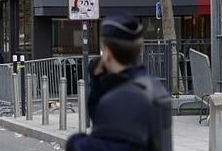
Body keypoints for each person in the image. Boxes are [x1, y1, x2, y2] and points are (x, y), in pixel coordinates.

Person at [66, 13, 172, 151]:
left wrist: (74, 142)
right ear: (139, 50)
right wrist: (98, 81)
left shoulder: (123, 97)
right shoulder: (151, 86)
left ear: (108, 54)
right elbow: (101, 118)